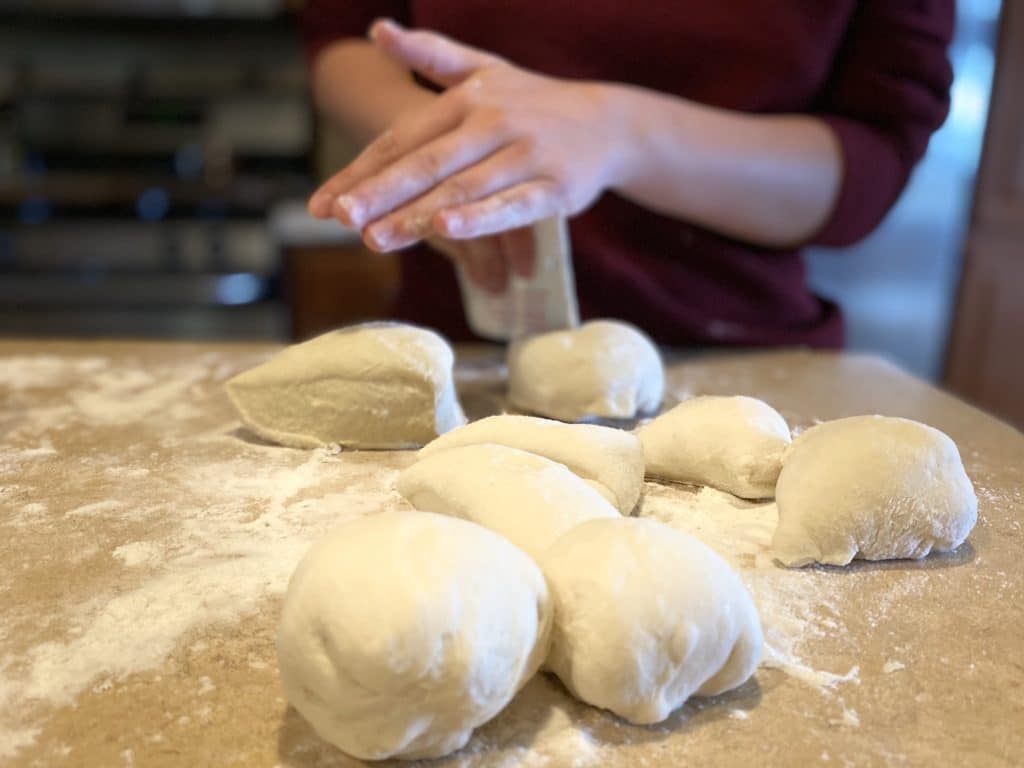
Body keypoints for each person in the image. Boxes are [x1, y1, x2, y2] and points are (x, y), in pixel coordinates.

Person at [300, 2, 953, 347]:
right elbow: (344, 39)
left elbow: (872, 156)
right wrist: (451, 153)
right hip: (463, 346)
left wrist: (618, 132)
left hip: (741, 356)